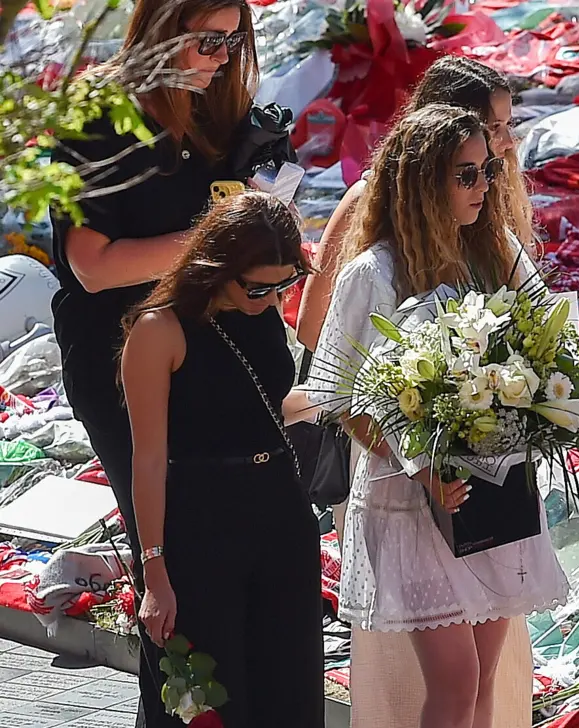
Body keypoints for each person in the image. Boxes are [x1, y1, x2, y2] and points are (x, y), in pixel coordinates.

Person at [48, 0, 292, 722]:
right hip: (127, 358)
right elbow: (91, 265)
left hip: (228, 351)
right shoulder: (98, 119)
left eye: (234, 40)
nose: (222, 56)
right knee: (174, 563)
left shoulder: (221, 109)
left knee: (242, 560)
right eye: (208, 41)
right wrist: (218, 238)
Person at [306, 104, 567, 728]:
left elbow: (545, 346)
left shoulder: (494, 253)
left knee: (478, 689)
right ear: (425, 181)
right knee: (455, 685)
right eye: (467, 175)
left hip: (494, 493)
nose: (484, 187)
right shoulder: (374, 271)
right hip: (409, 501)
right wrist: (420, 464)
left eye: (488, 172)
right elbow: (337, 397)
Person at [122, 191, 323, 727]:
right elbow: (146, 457)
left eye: (285, 283)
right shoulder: (158, 330)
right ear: (218, 265)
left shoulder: (262, 311)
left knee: (291, 686)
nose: (272, 296)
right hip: (201, 521)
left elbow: (266, 404)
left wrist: (346, 393)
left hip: (279, 508)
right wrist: (154, 570)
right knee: (213, 694)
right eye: (258, 284)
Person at [294, 55, 535, 353]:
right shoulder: (367, 204)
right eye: (494, 126)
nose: (508, 140)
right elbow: (313, 330)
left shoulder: (484, 198)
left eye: (509, 124)